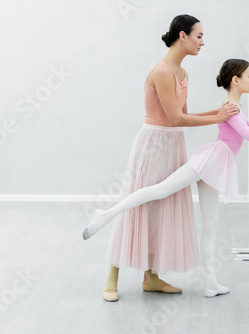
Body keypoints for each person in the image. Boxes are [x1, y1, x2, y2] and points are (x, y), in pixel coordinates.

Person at [84, 58, 249, 298]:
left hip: (218, 164)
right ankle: (106, 214)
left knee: (211, 225)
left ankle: (211, 283)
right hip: (211, 160)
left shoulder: (234, 107)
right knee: (159, 190)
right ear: (236, 80)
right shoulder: (231, 108)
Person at [91, 15, 240, 302]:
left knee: (163, 206)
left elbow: (186, 116)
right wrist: (216, 118)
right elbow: (174, 118)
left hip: (174, 144)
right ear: (182, 36)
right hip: (154, 143)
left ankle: (152, 277)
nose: (202, 42)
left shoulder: (183, 74)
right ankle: (112, 277)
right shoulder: (160, 71)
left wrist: (220, 112)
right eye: (199, 36)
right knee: (136, 203)